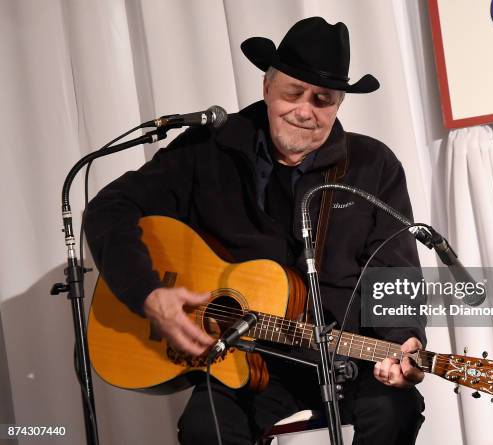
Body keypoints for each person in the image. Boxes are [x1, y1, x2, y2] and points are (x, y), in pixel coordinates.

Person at [84, 16, 426, 445]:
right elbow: (109, 209)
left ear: (339, 103)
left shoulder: (372, 165)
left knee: (395, 411)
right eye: (292, 93)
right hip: (247, 361)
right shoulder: (206, 150)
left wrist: (403, 339)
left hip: (350, 355)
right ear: (267, 88)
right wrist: (148, 293)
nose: (305, 110)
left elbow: (395, 271)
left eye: (323, 99)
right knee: (204, 428)